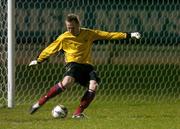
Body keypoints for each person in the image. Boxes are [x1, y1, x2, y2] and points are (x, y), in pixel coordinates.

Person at [29, 13, 141, 118]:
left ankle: (77, 114)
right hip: (73, 64)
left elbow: (108, 35)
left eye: (72, 27)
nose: (70, 30)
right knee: (67, 82)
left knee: (94, 86)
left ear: (78, 24)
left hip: (87, 66)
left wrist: (129, 35)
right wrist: (39, 60)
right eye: (68, 27)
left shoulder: (88, 33)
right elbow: (50, 49)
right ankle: (40, 103)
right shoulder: (64, 37)